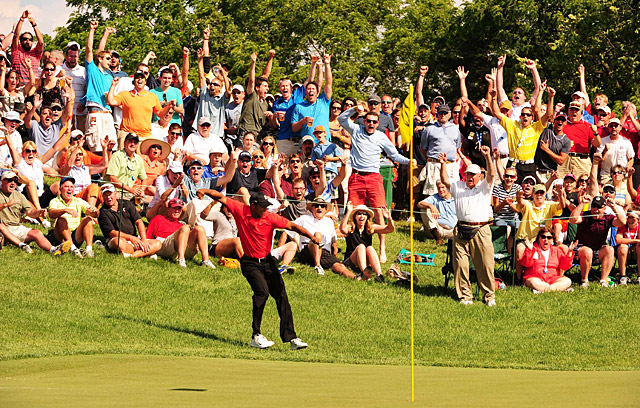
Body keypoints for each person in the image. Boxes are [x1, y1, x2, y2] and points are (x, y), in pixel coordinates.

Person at [204, 190, 317, 350]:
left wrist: (312, 237)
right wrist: (204, 191)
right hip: (250, 262)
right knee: (262, 292)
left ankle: (292, 339)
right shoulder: (240, 210)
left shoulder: (269, 217)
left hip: (267, 262)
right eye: (262, 207)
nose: (265, 210)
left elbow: (292, 226)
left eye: (266, 207)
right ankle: (256, 336)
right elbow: (221, 197)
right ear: (253, 205)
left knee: (281, 296)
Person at [338, 106, 413, 263]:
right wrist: (354, 110)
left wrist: (408, 161)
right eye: (369, 121)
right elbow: (341, 119)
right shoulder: (356, 130)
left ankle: (382, 248)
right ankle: (352, 248)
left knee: (380, 212)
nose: (371, 124)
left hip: (374, 177)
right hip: (357, 176)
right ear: (364, 121)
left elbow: (394, 155)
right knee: (354, 213)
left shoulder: (381, 137)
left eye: (374, 122)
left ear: (378, 123)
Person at [439, 146, 496, 306]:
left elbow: (491, 174)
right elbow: (444, 180)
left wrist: (488, 157)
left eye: (473, 174)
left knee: (485, 265)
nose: (469, 177)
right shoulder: (458, 186)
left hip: (481, 229)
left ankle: (489, 296)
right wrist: (443, 164)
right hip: (461, 229)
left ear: (479, 176)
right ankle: (465, 296)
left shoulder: (485, 187)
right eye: (467, 174)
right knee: (461, 265)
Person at [0, 170, 70, 255]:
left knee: (37, 233)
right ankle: (22, 245)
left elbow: (29, 212)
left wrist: (38, 213)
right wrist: (5, 205)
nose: (13, 183)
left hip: (17, 227)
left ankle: (53, 250)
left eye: (15, 181)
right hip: (4, 228)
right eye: (9, 180)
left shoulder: (19, 196)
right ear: (2, 181)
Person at [287, 197, 356, 279]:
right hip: (307, 251)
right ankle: (318, 266)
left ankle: (356, 278)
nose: (319, 208)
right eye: (316, 205)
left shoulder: (329, 222)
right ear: (312, 208)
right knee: (317, 235)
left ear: (325, 209)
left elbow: (334, 243)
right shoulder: (304, 219)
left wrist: (334, 257)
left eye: (322, 206)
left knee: (339, 266)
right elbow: (287, 229)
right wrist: (296, 243)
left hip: (324, 253)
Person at [569, 194, 626, 288]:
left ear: (604, 208)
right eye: (594, 206)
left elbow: (622, 222)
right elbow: (573, 220)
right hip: (581, 249)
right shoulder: (586, 215)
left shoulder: (608, 217)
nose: (596, 209)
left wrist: (614, 207)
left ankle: (603, 281)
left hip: (598, 249)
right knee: (588, 251)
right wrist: (582, 204)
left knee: (609, 249)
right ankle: (584, 281)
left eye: (599, 207)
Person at [107, 73, 175, 148]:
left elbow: (160, 114)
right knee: (123, 159)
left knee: (144, 159)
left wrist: (169, 106)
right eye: (137, 78)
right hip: (127, 134)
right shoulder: (125, 94)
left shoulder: (152, 96)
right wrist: (113, 85)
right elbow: (111, 101)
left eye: (142, 78)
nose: (139, 79)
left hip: (144, 136)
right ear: (134, 81)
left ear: (145, 81)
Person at [146, 197, 215, 268]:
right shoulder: (159, 219)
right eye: (174, 208)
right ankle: (181, 259)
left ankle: (205, 260)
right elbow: (147, 237)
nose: (177, 211)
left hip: (182, 248)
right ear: (168, 209)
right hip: (164, 246)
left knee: (199, 228)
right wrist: (150, 252)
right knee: (185, 228)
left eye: (179, 209)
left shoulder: (181, 224)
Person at [98, 183, 162, 258]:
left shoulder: (127, 204)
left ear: (116, 194)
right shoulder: (102, 212)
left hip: (135, 237)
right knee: (118, 242)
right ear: (102, 197)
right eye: (105, 195)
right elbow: (112, 233)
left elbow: (139, 221)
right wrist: (131, 238)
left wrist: (143, 239)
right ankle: (145, 253)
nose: (108, 197)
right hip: (119, 239)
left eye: (110, 194)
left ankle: (132, 255)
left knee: (158, 243)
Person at [340, 202, 395, 281]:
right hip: (351, 261)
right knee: (361, 247)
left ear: (367, 217)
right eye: (359, 214)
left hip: (365, 260)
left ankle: (379, 274)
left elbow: (390, 229)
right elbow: (342, 229)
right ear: (355, 216)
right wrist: (348, 212)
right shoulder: (351, 228)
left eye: (364, 214)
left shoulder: (370, 228)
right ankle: (364, 273)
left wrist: (389, 219)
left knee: (370, 248)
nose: (362, 216)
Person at [84, 21, 117, 152]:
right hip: (95, 112)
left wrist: (106, 34)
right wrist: (92, 30)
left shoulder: (109, 76)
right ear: (100, 59)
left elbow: (101, 52)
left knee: (111, 148)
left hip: (108, 113)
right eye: (108, 58)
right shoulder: (92, 70)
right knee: (96, 147)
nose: (111, 61)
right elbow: (91, 50)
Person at [47, 176, 99, 258]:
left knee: (88, 219)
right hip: (58, 236)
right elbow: (51, 213)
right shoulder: (54, 201)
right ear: (60, 190)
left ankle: (89, 250)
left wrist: (94, 211)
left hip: (75, 234)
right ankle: (72, 248)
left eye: (71, 187)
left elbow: (93, 213)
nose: (69, 189)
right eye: (66, 187)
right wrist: (64, 210)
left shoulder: (78, 201)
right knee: (61, 220)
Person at [419, 103, 461, 195]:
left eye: (445, 113)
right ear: (437, 113)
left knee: (452, 193)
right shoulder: (429, 129)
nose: (443, 115)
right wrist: (431, 160)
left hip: (450, 165)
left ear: (449, 114)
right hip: (434, 165)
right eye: (441, 113)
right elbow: (423, 148)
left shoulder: (455, 129)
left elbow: (457, 148)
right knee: (431, 193)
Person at [291, 52, 333, 142]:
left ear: (317, 92)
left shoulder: (323, 101)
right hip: (307, 144)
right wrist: (303, 121)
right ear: (305, 91)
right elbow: (294, 128)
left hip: (324, 143)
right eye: (309, 89)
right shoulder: (299, 106)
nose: (311, 91)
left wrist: (327, 64)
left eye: (313, 89)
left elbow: (328, 83)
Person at [519, 228, 575, 293]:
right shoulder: (533, 248)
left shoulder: (557, 251)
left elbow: (564, 266)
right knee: (533, 282)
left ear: (552, 240)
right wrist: (529, 250)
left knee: (567, 281)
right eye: (543, 237)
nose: (546, 240)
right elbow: (526, 263)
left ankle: (544, 290)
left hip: (552, 279)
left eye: (549, 238)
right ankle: (557, 290)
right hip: (535, 278)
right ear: (539, 238)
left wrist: (569, 253)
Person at [237, 51, 275, 140]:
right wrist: (253, 63)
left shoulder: (265, 103)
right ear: (257, 88)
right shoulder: (251, 96)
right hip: (245, 135)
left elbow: (266, 75)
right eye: (265, 86)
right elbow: (251, 80)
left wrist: (271, 57)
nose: (267, 89)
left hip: (257, 137)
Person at [105, 133, 148, 201]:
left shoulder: (138, 159)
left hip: (129, 192)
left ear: (137, 145)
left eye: (135, 142)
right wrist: (130, 189)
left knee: (151, 201)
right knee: (129, 204)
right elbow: (112, 178)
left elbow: (144, 179)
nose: (132, 144)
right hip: (113, 191)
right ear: (124, 143)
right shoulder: (117, 156)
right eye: (130, 141)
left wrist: (141, 190)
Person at [417, 180, 456, 244]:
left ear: (448, 188)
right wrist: (431, 205)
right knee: (424, 209)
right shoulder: (435, 197)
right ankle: (438, 239)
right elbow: (419, 204)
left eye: (443, 187)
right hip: (438, 229)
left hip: (453, 231)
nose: (440, 190)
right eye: (438, 188)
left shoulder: (455, 199)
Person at [11, 11, 44, 84]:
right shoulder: (16, 52)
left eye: (30, 39)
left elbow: (41, 42)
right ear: (21, 41)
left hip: (33, 88)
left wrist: (34, 25)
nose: (27, 41)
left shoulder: (36, 54)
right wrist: (22, 19)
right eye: (25, 39)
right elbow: (16, 36)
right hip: (19, 88)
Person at [597, 118, 634, 184]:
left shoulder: (626, 142)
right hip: (607, 175)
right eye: (611, 126)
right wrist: (605, 150)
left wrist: (628, 167)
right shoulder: (602, 141)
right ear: (608, 128)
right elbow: (598, 160)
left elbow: (631, 159)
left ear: (620, 128)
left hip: (622, 175)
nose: (613, 128)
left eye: (616, 126)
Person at [61, 41, 87, 133]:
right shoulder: (59, 69)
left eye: (75, 56)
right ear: (66, 56)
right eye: (71, 56)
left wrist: (83, 103)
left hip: (80, 114)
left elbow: (88, 89)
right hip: (64, 113)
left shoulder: (84, 71)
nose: (73, 59)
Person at [615, 209, 640, 286]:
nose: (630, 220)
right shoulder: (623, 226)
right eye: (628, 217)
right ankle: (623, 276)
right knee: (623, 247)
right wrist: (635, 241)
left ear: (638, 220)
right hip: (624, 252)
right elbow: (618, 240)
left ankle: (639, 277)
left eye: (633, 218)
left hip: (636, 252)